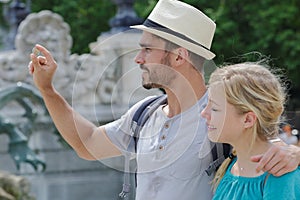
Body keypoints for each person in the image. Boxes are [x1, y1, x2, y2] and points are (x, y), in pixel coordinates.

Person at [28, 0, 300, 199]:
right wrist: (48, 91)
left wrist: (294, 154)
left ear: (179, 56)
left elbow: (265, 143)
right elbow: (87, 145)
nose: (138, 58)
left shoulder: (219, 115)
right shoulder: (144, 113)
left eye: (147, 49)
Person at [201, 62, 300, 199]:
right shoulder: (230, 167)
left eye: (215, 109)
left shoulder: (280, 177)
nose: (204, 113)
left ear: (248, 120)